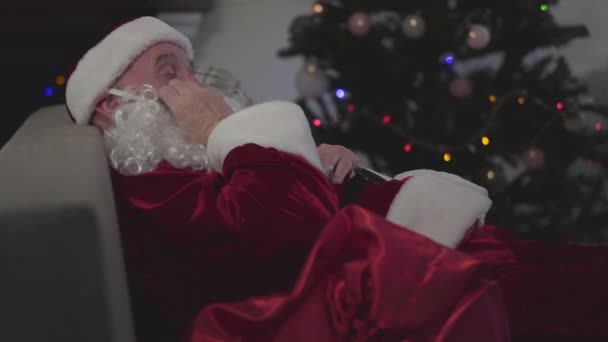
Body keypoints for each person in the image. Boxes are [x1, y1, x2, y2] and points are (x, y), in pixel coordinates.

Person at [65, 17, 606, 341]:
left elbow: (283, 201)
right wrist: (223, 131)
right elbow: (279, 235)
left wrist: (316, 163)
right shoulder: (149, 188)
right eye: (168, 71)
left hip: (435, 246)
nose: (191, 82)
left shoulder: (172, 160)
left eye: (187, 65)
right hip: (423, 284)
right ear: (115, 103)